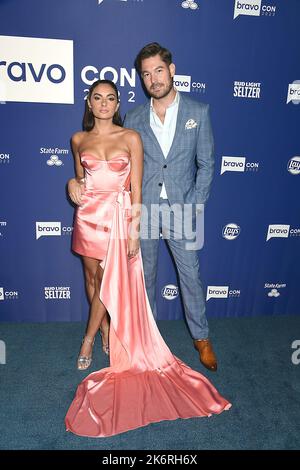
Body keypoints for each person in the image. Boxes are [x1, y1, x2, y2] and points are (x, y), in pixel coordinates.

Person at [65, 79, 231, 438]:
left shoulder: (164, 124)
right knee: (114, 280)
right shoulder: (99, 132)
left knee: (176, 276)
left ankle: (197, 340)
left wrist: (144, 224)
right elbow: (81, 180)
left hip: (145, 216)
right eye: (99, 98)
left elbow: (189, 169)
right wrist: (70, 186)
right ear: (90, 103)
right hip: (101, 217)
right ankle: (117, 333)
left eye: (111, 98)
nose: (105, 103)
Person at [124, 42, 217, 372]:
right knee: (144, 278)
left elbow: (207, 164)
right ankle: (146, 340)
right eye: (146, 74)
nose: (153, 79)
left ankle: (201, 338)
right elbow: (126, 166)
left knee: (190, 276)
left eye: (158, 71)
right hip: (145, 209)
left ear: (172, 70)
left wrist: (194, 205)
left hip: (182, 209)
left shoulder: (198, 112)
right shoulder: (133, 117)